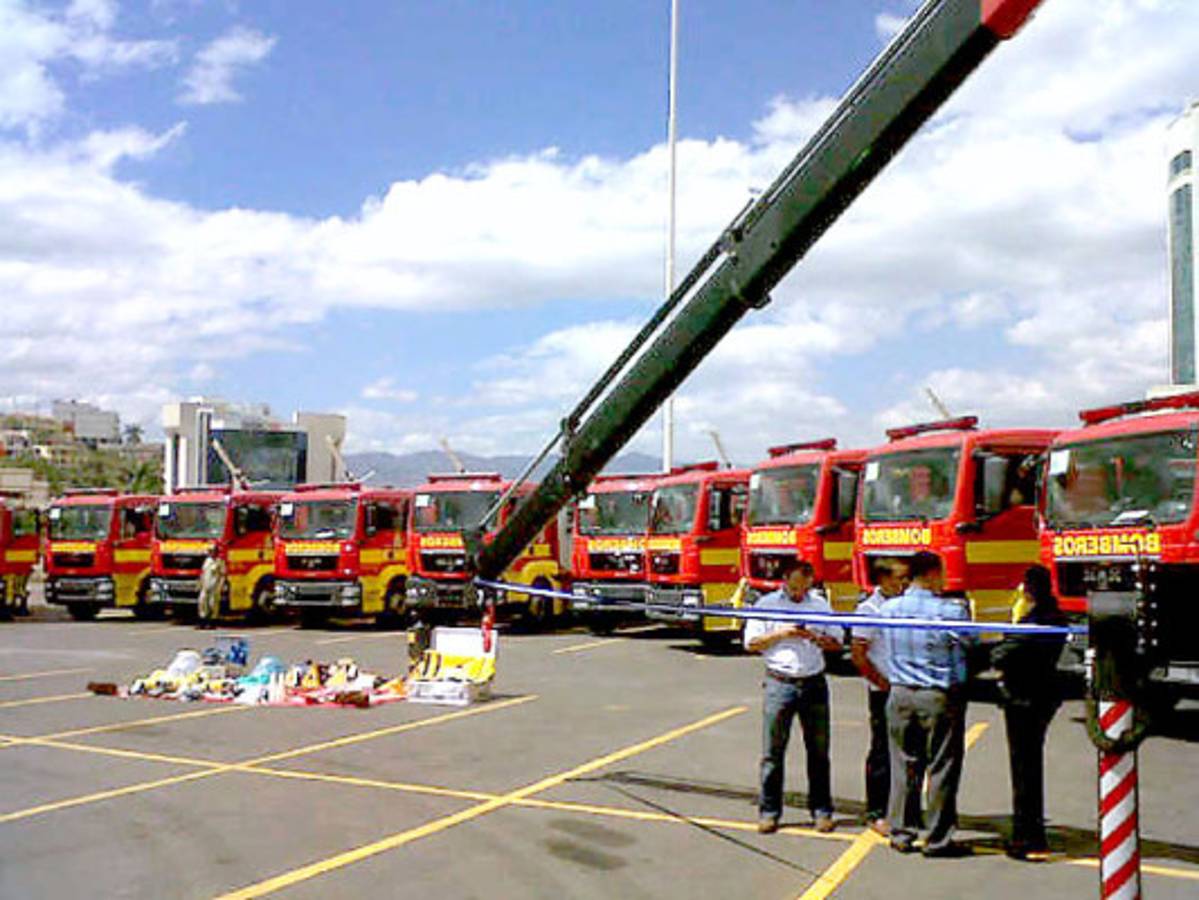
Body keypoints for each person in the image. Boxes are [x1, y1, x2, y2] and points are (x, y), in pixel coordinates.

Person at [881, 551, 973, 857]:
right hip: (937, 694)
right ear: (932, 573)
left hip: (899, 693)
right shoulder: (950, 611)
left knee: (903, 764)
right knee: (941, 766)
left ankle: (901, 831)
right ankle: (937, 838)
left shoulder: (889, 609)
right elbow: (968, 642)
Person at [744, 561, 843, 835]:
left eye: (805, 587)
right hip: (780, 682)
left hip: (814, 682)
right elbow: (751, 643)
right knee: (772, 753)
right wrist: (782, 633)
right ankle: (769, 811)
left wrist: (821, 639)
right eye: (796, 587)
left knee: (819, 753)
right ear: (785, 579)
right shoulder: (766, 605)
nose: (800, 593)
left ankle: (822, 810)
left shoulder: (820, 605)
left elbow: (838, 641)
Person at [990, 565, 1066, 860]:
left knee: (1024, 769)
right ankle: (1030, 833)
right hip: (1044, 696)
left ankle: (1027, 837)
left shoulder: (1034, 621)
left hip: (1023, 698)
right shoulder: (1055, 615)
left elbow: (1003, 653)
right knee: (1029, 766)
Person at [851, 558, 909, 835]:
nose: (904, 583)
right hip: (883, 692)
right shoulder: (868, 610)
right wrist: (882, 683)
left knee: (908, 752)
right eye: (899, 577)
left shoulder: (904, 606)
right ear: (884, 579)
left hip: (907, 688)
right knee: (882, 752)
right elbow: (859, 656)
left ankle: (905, 809)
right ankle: (877, 812)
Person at [197, 545, 226, 628]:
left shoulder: (220, 562)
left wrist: (221, 586)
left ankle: (212, 622)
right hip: (205, 585)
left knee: (213, 604)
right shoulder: (207, 561)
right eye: (210, 551)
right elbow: (203, 573)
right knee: (202, 603)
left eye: (212, 551)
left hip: (214, 586)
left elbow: (223, 575)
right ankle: (202, 622)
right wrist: (199, 584)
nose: (211, 553)